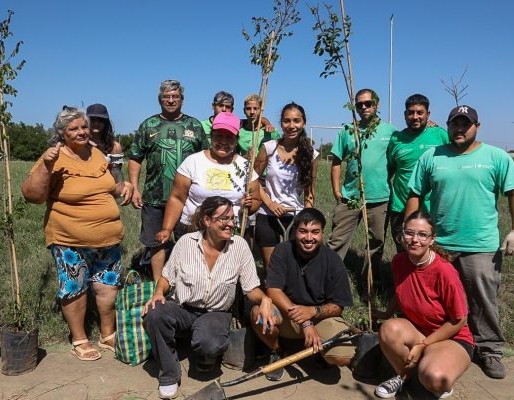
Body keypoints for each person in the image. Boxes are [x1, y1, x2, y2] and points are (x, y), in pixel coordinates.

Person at [405, 105, 514, 379]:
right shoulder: (432, 156)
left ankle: (489, 350)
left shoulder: (496, 157)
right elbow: (415, 192)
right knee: (435, 300)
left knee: (482, 298)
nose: (459, 129)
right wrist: (411, 228)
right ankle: (438, 345)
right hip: (439, 244)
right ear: (446, 126)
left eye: (465, 124)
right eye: (454, 124)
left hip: (480, 245)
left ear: (477, 126)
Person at [21, 106, 133, 361]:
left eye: (84, 126)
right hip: (69, 239)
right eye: (74, 128)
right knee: (75, 287)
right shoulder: (54, 157)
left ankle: (107, 334)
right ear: (62, 133)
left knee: (108, 287)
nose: (82, 131)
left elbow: (109, 186)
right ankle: (79, 338)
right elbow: (32, 195)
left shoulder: (96, 154)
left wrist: (123, 187)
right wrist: (46, 167)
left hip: (107, 238)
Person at [143, 196, 277, 400]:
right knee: (154, 313)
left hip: (216, 312)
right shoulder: (186, 243)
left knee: (209, 343)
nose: (231, 223)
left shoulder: (239, 246)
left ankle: (204, 354)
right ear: (207, 221)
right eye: (224, 219)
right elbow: (167, 277)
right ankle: (169, 373)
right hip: (184, 308)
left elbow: (251, 288)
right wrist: (158, 292)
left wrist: (265, 300)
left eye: (233, 218)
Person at [372, 211, 473, 399]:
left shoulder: (445, 271)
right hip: (418, 329)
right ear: (402, 234)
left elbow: (460, 319)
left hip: (451, 337)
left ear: (432, 239)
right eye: (409, 233)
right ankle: (404, 376)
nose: (414, 240)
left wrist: (423, 344)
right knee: (388, 329)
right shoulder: (399, 261)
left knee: (435, 380)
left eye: (422, 234)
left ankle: (434, 369)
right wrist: (387, 313)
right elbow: (401, 289)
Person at [251, 208, 355, 382]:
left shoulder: (332, 260)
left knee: (343, 357)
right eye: (303, 231)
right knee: (258, 315)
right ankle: (277, 351)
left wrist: (312, 313)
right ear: (295, 232)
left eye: (315, 232)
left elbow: (338, 306)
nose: (308, 238)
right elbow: (273, 290)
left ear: (322, 233)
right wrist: (305, 321)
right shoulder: (283, 250)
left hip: (318, 317)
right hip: (286, 315)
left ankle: (321, 352)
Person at [128, 80, 207, 280]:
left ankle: (186, 282)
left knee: (189, 242)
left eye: (175, 97)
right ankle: (157, 284)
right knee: (156, 243)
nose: (170, 100)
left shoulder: (194, 126)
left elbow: (205, 158)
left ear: (182, 99)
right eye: (166, 97)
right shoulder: (148, 125)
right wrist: (135, 188)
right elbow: (136, 157)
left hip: (187, 198)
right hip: (155, 196)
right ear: (159, 99)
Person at [156, 111, 260, 243]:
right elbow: (177, 198)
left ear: (236, 139)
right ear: (211, 136)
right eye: (218, 136)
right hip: (193, 229)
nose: (223, 141)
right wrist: (167, 228)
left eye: (229, 137)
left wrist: (250, 205)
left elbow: (256, 200)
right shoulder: (192, 161)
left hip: (230, 231)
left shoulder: (245, 167)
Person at [328, 88, 395, 273]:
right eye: (359, 104)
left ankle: (370, 284)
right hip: (350, 197)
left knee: (376, 242)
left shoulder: (390, 131)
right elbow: (336, 162)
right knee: (336, 240)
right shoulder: (348, 131)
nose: (364, 107)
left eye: (368, 103)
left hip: (379, 197)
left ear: (377, 104)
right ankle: (328, 278)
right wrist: (336, 191)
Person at [254, 102, 318, 269]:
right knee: (272, 266)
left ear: (303, 123)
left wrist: (307, 218)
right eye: (286, 121)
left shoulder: (311, 153)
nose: (291, 126)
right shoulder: (269, 148)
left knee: (294, 266)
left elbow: (310, 192)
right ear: (281, 123)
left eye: (296, 121)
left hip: (295, 216)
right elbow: (253, 180)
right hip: (268, 215)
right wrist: (270, 203)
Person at [387, 94, 449, 253]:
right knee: (404, 251)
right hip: (400, 207)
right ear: (405, 114)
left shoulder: (440, 135)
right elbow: (391, 168)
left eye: (420, 112)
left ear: (428, 114)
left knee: (433, 253)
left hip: (432, 207)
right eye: (410, 112)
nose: (415, 117)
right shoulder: (396, 139)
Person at [86, 103, 132, 204]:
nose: (96, 123)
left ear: (106, 123)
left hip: (106, 194)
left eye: (100, 120)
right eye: (93, 119)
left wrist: (123, 189)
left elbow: (116, 172)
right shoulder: (79, 144)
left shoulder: (115, 147)